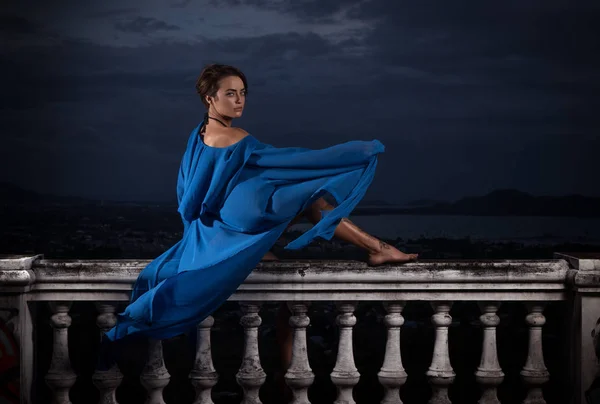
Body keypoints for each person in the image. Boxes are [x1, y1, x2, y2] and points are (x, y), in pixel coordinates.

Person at [100, 64, 418, 382]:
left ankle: (284, 365)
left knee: (288, 249)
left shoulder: (199, 134)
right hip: (245, 216)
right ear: (210, 98)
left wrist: (205, 226)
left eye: (243, 93)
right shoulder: (235, 136)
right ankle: (380, 248)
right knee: (314, 198)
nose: (239, 100)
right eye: (230, 94)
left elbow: (190, 194)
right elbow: (285, 162)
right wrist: (348, 155)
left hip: (220, 224)